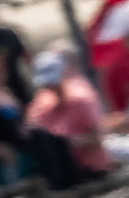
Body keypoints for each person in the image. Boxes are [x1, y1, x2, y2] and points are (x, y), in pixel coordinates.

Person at [24, 50, 114, 179]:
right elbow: (34, 129)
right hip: (62, 171)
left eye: (53, 82)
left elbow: (98, 138)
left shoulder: (81, 98)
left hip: (92, 169)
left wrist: (67, 144)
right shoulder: (40, 103)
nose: (51, 87)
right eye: (48, 84)